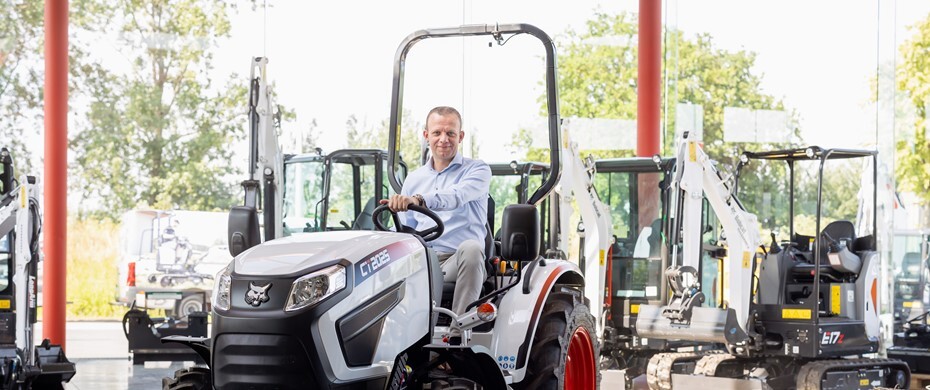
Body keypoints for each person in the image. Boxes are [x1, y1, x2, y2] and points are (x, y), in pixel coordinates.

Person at [381, 106, 491, 315]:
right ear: (426, 136)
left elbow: (457, 196)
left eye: (450, 133)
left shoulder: (477, 170)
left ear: (460, 136)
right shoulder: (414, 178)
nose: (443, 139)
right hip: (423, 259)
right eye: (437, 133)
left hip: (456, 260)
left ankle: (459, 329)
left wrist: (419, 199)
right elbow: (406, 228)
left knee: (472, 248)